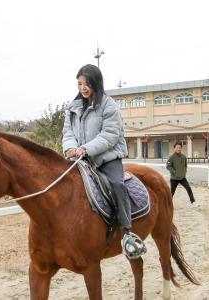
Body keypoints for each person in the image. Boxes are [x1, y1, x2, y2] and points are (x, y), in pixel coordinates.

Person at [62, 64, 146, 259]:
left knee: (117, 184)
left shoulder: (109, 106)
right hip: (79, 158)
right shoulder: (72, 107)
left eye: (87, 83)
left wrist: (84, 149)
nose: (83, 88)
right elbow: (67, 132)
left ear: (96, 83)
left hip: (107, 158)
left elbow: (109, 135)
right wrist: (70, 148)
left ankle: (127, 233)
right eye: (80, 83)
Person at [166, 142, 199, 208]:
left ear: (181, 148)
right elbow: (168, 166)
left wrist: (184, 172)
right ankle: (168, 205)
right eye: (177, 148)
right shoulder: (171, 157)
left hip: (182, 178)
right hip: (174, 178)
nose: (179, 149)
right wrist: (174, 172)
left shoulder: (183, 157)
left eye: (180, 148)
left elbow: (185, 166)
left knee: (188, 188)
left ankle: (193, 202)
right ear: (174, 148)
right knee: (171, 192)